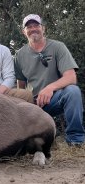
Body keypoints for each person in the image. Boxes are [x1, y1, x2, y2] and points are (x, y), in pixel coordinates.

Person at [14, 14, 85, 146]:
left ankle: (76, 140)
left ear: (43, 28)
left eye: (36, 25)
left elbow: (71, 77)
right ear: (24, 32)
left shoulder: (58, 47)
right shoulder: (19, 55)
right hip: (33, 103)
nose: (33, 29)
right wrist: (24, 106)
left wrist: (49, 88)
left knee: (73, 91)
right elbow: (21, 86)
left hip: (54, 99)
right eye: (29, 27)